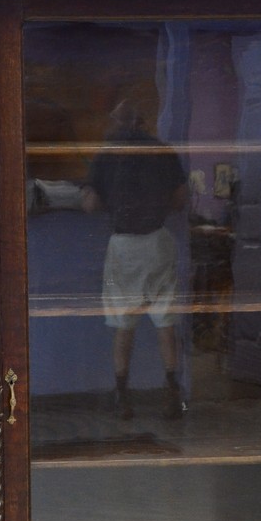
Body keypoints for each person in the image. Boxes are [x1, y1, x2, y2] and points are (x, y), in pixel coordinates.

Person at [81, 100, 187, 419]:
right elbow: (180, 200)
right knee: (165, 322)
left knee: (123, 325)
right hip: (157, 241)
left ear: (117, 122)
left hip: (124, 247)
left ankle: (122, 395)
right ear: (142, 122)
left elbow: (90, 204)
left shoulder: (106, 154)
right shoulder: (162, 151)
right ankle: (172, 392)